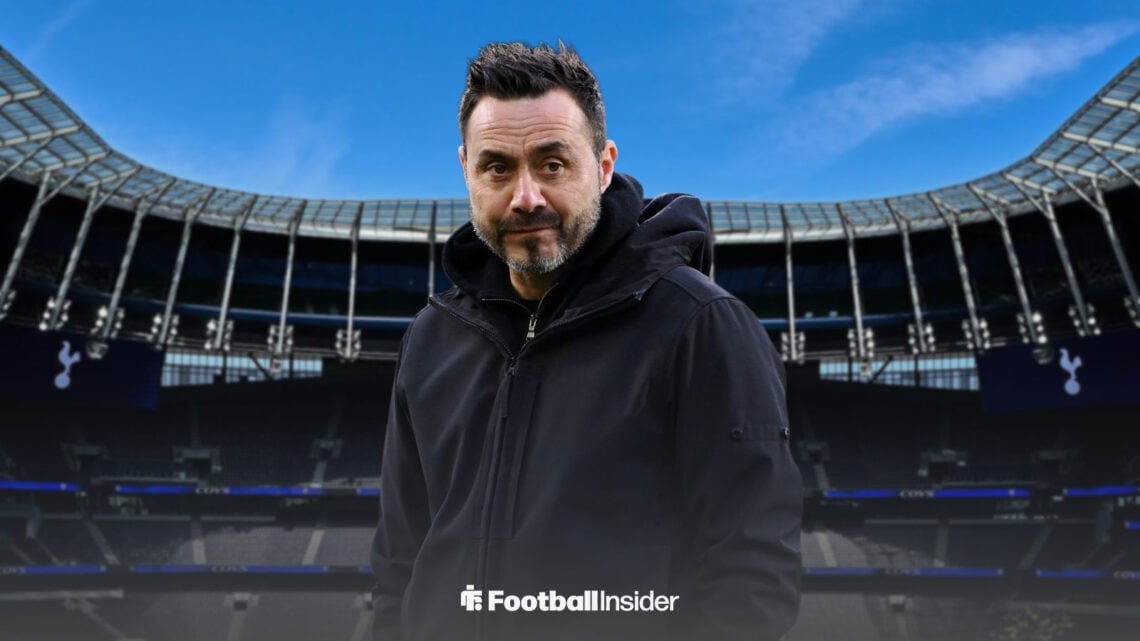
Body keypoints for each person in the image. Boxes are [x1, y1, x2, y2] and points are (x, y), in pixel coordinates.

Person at [371, 41, 801, 641]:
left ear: (602, 166)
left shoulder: (700, 324)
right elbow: (398, 565)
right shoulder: (430, 338)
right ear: (466, 169)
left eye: (552, 164)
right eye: (498, 167)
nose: (526, 198)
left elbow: (750, 585)